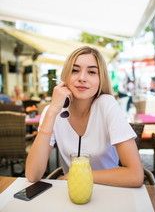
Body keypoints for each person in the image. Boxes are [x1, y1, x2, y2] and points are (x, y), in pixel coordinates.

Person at [25, 46, 144, 187]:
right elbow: (33, 175)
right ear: (65, 77)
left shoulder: (107, 105)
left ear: (101, 79)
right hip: (72, 195)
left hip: (110, 191)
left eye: (92, 72)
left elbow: (135, 175)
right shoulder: (52, 112)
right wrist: (51, 112)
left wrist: (77, 175)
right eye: (75, 70)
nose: (82, 78)